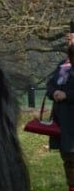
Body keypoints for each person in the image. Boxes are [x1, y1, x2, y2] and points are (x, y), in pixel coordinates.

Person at [46, 31, 74, 191]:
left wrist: (67, 95)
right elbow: (51, 84)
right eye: (68, 36)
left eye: (73, 35)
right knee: (69, 161)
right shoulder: (63, 64)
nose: (68, 37)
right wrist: (54, 92)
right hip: (63, 122)